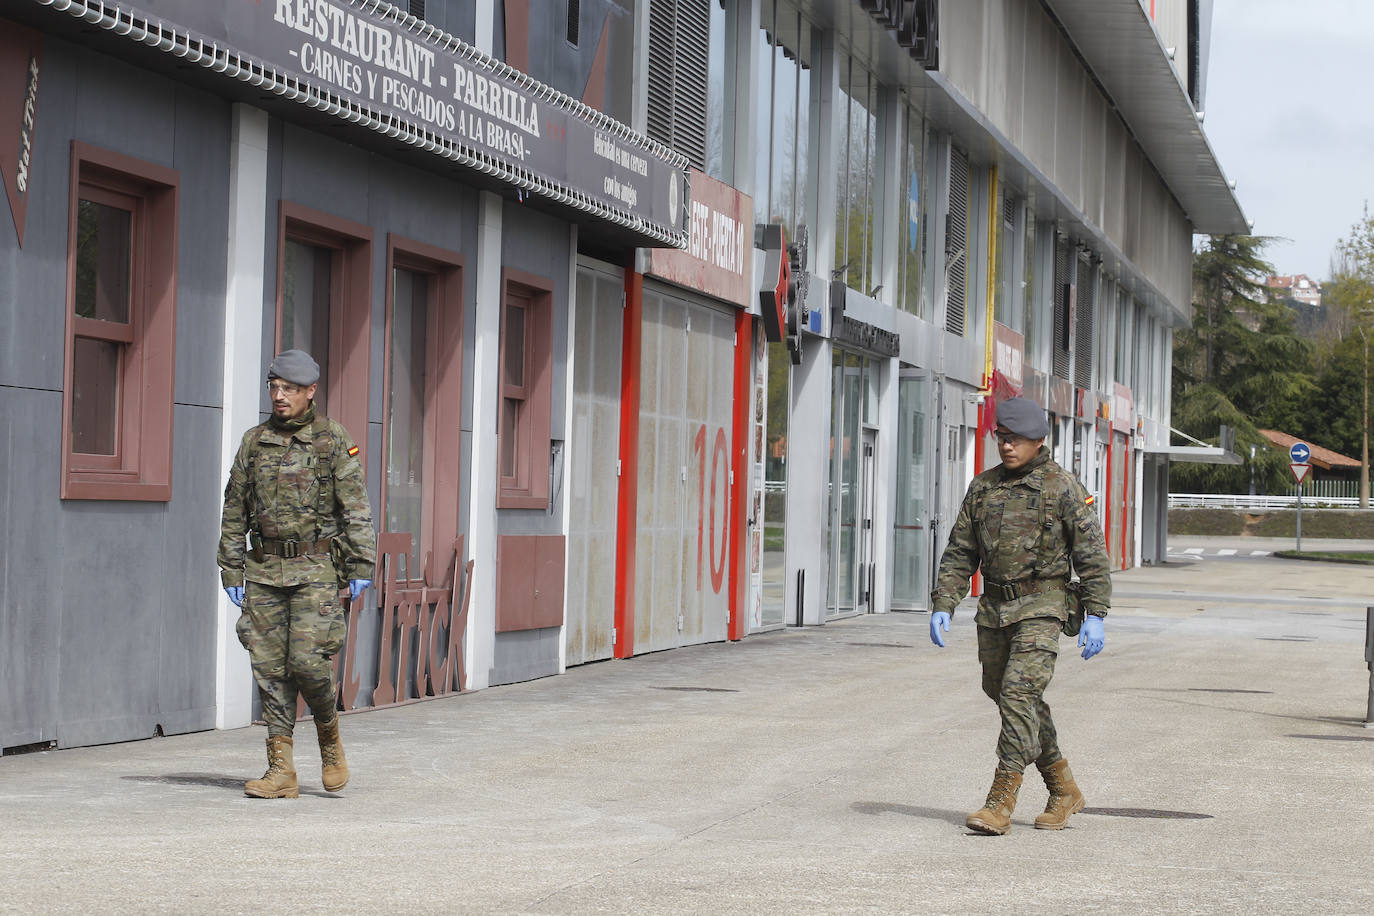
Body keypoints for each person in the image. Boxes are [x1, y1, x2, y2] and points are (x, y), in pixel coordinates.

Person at [928, 397, 1110, 835]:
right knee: (1007, 694)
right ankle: (1063, 788)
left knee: (1017, 694)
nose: (1007, 447)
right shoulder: (983, 487)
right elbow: (960, 551)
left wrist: (1096, 612)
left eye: (1016, 440)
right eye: (1002, 438)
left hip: (1044, 607)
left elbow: (1092, 555)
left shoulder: (1061, 487)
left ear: (1038, 441)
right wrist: (943, 603)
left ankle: (1000, 801)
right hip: (994, 609)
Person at [218, 349, 376, 798]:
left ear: (311, 392)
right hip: (265, 569)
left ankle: (329, 738)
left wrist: (361, 563)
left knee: (308, 662)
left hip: (315, 569)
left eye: (289, 389)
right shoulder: (254, 441)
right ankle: (280, 771)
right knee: (268, 668)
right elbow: (234, 509)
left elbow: (356, 507)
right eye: (274, 387)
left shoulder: (331, 440)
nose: (279, 395)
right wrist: (230, 566)